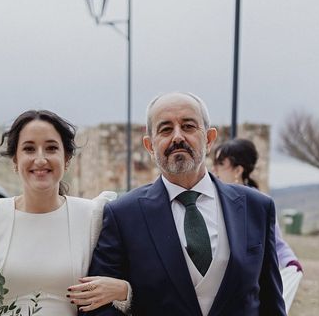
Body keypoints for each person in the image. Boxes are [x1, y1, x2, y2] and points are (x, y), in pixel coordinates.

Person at [88, 91, 286, 316]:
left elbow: (271, 301)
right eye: (165, 129)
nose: (177, 137)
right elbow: (96, 305)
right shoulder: (123, 215)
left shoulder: (257, 208)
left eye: (189, 126)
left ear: (210, 139)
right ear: (149, 145)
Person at [0, 109, 130, 315]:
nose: (41, 159)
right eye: (29, 149)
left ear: (67, 158)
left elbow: (122, 291)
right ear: (15, 160)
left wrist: (124, 290)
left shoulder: (92, 216)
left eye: (51, 148)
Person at [212, 138, 303, 312]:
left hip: (244, 287)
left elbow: (275, 241)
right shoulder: (209, 199)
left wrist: (292, 263)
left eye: (220, 164)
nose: (214, 170)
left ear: (238, 170)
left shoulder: (257, 204)